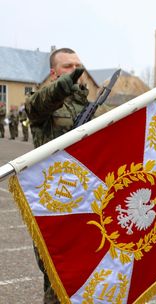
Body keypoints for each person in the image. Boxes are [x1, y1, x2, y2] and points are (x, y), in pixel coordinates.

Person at [25, 47, 91, 304]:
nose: (76, 70)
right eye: (68, 66)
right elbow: (38, 104)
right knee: (57, 284)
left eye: (78, 65)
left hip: (88, 204)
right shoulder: (44, 104)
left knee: (89, 280)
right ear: (54, 73)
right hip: (55, 205)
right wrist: (64, 86)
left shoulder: (95, 106)